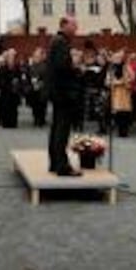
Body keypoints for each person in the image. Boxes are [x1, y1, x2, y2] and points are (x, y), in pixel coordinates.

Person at [47, 16, 83, 176]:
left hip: (57, 92)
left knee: (56, 128)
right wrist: (75, 68)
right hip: (63, 93)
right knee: (62, 130)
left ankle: (55, 163)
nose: (76, 28)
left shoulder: (56, 41)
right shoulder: (61, 42)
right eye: (74, 25)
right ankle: (62, 166)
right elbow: (62, 68)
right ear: (64, 25)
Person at [107, 49, 134, 137]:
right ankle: (119, 130)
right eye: (116, 57)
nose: (118, 59)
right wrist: (115, 82)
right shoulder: (111, 68)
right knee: (117, 113)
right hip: (115, 93)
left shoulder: (126, 66)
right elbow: (107, 81)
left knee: (125, 113)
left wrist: (125, 81)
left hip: (124, 93)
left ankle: (125, 131)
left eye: (119, 57)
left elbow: (133, 77)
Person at [25, 47, 48, 127]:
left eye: (38, 56)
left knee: (42, 105)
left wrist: (41, 83)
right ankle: (36, 118)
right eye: (35, 56)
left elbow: (47, 77)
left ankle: (41, 119)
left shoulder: (45, 66)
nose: (36, 58)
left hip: (42, 88)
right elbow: (28, 75)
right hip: (33, 87)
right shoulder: (31, 66)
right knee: (34, 104)